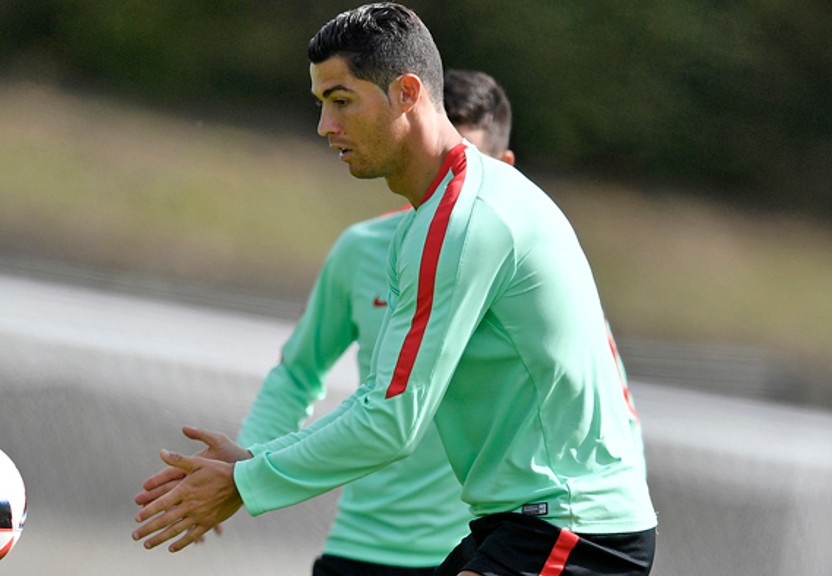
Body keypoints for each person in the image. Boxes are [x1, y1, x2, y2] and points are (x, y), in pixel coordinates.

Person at [133, 4, 657, 575]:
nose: (324, 126)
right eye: (320, 104)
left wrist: (247, 480)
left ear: (407, 93)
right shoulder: (429, 220)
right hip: (518, 522)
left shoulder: (464, 220)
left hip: (573, 524)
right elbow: (369, 396)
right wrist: (249, 465)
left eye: (341, 101)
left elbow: (391, 421)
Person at [236, 69, 517, 576]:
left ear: (505, 167)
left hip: (476, 550)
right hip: (360, 547)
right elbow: (297, 372)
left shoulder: (525, 266)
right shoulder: (361, 249)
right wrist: (240, 468)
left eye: (467, 160)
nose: (451, 179)